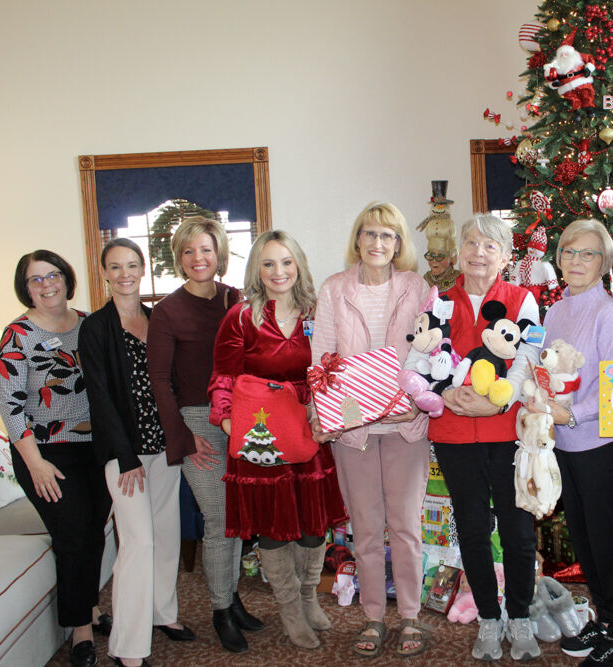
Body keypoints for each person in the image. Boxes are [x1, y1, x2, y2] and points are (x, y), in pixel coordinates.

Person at [208, 230, 347, 650]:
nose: (278, 271)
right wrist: (227, 420)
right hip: (260, 434)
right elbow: (223, 376)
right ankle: (289, 610)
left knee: (311, 526)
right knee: (273, 528)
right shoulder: (240, 317)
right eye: (268, 263)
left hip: (308, 428)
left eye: (286, 262)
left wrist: (333, 412)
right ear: (257, 270)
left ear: (298, 265)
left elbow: (334, 367)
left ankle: (307, 597)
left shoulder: (316, 313)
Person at [415, 213, 542, 662]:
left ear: (506, 257)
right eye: (471, 243)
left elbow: (528, 358)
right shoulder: (439, 300)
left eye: (490, 245)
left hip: (506, 430)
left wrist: (499, 404)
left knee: (517, 529)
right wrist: (445, 393)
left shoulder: (522, 299)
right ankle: (489, 618)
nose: (478, 252)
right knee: (471, 527)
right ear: (459, 251)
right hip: (452, 432)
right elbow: (423, 355)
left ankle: (521, 615)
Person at [311, 202, 432, 658]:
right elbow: (323, 359)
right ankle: (374, 617)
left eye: (388, 235)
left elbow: (429, 349)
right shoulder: (334, 289)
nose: (378, 243)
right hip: (354, 430)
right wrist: (328, 414)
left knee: (405, 527)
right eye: (370, 234)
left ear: (398, 243)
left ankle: (411, 617)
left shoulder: (417, 286)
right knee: (365, 529)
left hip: (404, 427)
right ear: (357, 240)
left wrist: (412, 403)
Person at [147, 216, 263, 653]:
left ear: (220, 254)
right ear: (179, 258)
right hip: (197, 421)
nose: (199, 258)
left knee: (238, 518)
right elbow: (160, 381)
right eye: (189, 251)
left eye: (206, 250)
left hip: (243, 418)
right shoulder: (166, 311)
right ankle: (219, 611)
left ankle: (232, 600)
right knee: (220, 520)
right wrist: (182, 436)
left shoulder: (236, 300)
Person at [526, 219, 613, 667]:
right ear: (558, 258)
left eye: (588, 254)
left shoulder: (610, 315)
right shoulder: (557, 310)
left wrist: (571, 413)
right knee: (585, 540)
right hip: (567, 446)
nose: (577, 260)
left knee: (608, 542)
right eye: (570, 251)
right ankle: (606, 617)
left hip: (602, 445)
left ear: (605, 262)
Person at [0, 250, 112, 667]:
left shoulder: (89, 323)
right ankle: (80, 630)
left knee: (95, 530)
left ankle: (92, 608)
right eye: (35, 280)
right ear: (25, 287)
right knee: (74, 534)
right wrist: (35, 463)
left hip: (95, 448)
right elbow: (8, 403)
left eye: (53, 275)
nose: (46, 285)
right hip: (43, 452)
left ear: (66, 278)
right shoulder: (17, 335)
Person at [79, 239, 194, 667]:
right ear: (104, 271)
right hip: (123, 454)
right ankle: (127, 646)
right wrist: (125, 457)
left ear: (142, 269)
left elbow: (173, 384)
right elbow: (100, 397)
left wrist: (183, 437)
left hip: (163, 448)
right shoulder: (94, 328)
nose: (124, 273)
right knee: (138, 542)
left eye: (132, 265)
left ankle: (164, 613)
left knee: (166, 535)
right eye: (115, 266)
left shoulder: (156, 318)